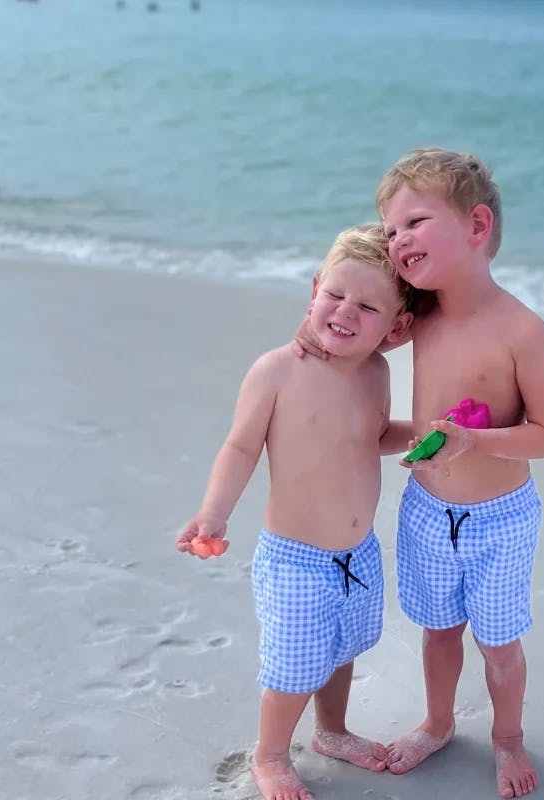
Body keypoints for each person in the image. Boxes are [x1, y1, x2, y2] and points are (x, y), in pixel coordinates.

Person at [296, 149, 544, 798]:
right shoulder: (422, 315)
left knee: (499, 644)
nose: (397, 239)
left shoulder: (521, 330)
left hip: (499, 519)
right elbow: (352, 332)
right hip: (426, 509)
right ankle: (438, 723)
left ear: (476, 227)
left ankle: (508, 738)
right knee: (438, 629)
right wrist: (312, 335)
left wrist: (473, 439)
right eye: (390, 230)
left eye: (414, 222)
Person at [178, 223, 415, 800]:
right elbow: (240, 448)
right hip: (296, 558)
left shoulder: (376, 372)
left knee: (341, 651)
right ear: (314, 290)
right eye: (335, 295)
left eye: (367, 306)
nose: (345, 312)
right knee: (292, 668)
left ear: (395, 328)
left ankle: (331, 732)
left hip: (357, 555)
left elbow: (374, 436)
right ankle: (271, 754)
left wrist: (422, 436)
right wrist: (214, 513)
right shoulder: (277, 371)